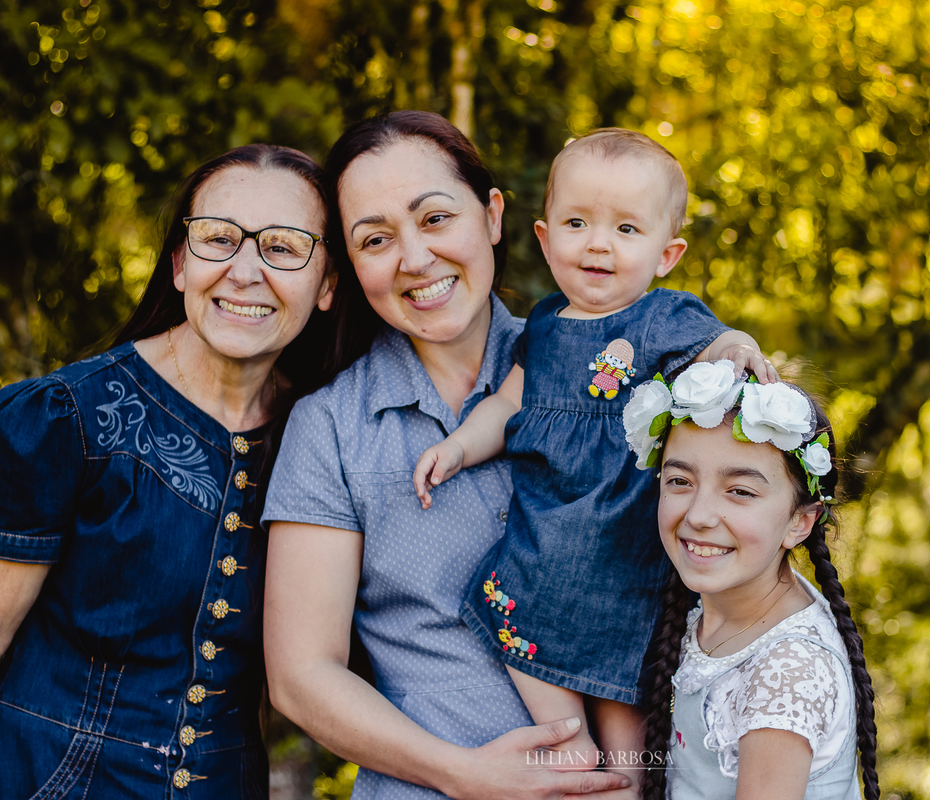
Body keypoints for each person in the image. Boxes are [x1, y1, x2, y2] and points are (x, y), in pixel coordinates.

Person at [260, 111, 630, 800]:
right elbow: (301, 676)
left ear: (492, 215)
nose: (416, 259)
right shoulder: (331, 429)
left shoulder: (608, 371)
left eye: (434, 219)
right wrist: (468, 776)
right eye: (376, 239)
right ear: (349, 264)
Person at [412, 129, 778, 790]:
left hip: (624, 570)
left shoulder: (663, 320)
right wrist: (457, 448)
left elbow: (716, 349)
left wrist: (736, 344)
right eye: (577, 223)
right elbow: (506, 405)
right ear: (546, 239)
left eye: (627, 229)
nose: (599, 243)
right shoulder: (544, 326)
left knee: (632, 740)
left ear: (666, 254)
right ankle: (571, 754)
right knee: (519, 644)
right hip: (542, 556)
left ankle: (626, 784)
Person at [0, 144, 338, 798]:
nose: (244, 272)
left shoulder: (324, 438)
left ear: (326, 285)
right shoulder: (64, 419)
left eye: (284, 247)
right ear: (181, 264)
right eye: (218, 240)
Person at [630, 361, 880, 800]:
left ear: (800, 523)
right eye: (679, 480)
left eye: (740, 491)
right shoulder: (718, 609)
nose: (699, 516)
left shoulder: (787, 675)